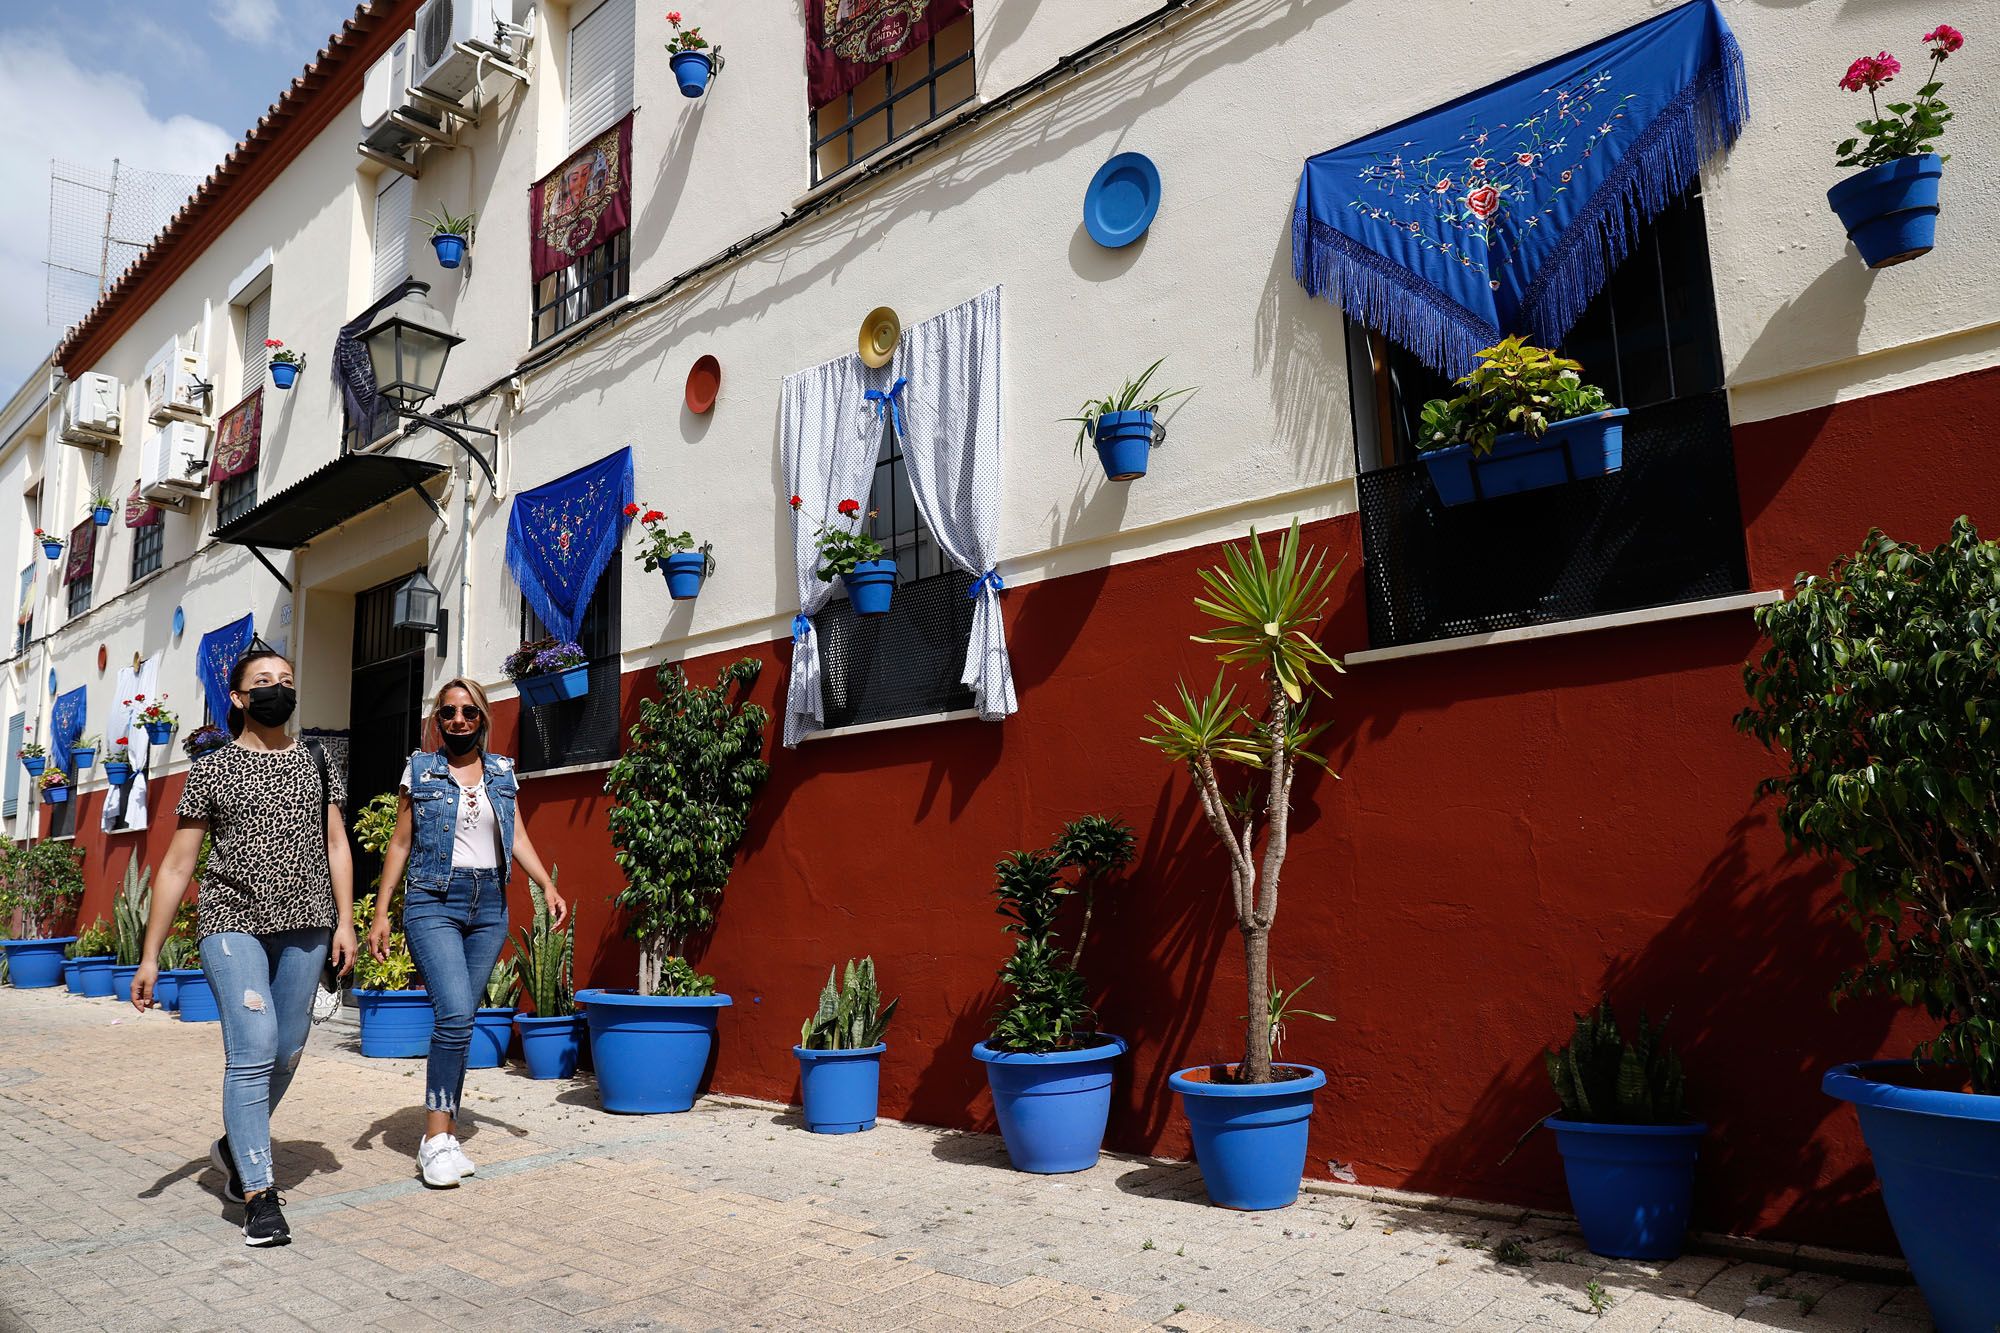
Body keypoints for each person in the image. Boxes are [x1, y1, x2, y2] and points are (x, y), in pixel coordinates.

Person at [133, 651, 356, 1247]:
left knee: (286, 1052)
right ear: (237, 698)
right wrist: (151, 954)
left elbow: (336, 842)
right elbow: (179, 866)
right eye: (263, 684)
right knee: (254, 1045)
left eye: (286, 681)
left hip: (307, 924)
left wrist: (345, 922)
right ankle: (258, 1192)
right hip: (232, 923)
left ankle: (233, 1147)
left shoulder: (316, 760)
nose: (277, 691)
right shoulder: (213, 768)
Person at [368, 678, 566, 1188]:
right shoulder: (420, 769)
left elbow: (516, 834)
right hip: (433, 899)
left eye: (469, 712)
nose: (459, 721)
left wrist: (545, 884)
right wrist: (381, 912)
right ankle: (433, 1139)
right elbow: (400, 842)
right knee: (454, 1011)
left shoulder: (503, 773)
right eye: (449, 713)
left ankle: (449, 1131)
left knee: (464, 1018)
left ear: (483, 719)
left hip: (489, 906)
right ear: (439, 720)